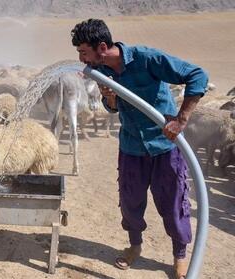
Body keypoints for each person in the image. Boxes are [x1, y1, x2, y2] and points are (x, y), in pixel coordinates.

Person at [71, 19, 209, 279]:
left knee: (173, 202)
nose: (81, 59)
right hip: (131, 146)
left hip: (164, 146)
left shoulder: (147, 59)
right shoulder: (103, 71)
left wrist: (180, 120)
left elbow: (198, 75)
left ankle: (179, 256)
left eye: (83, 52)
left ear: (102, 47)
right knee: (130, 202)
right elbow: (112, 108)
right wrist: (110, 100)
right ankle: (135, 246)